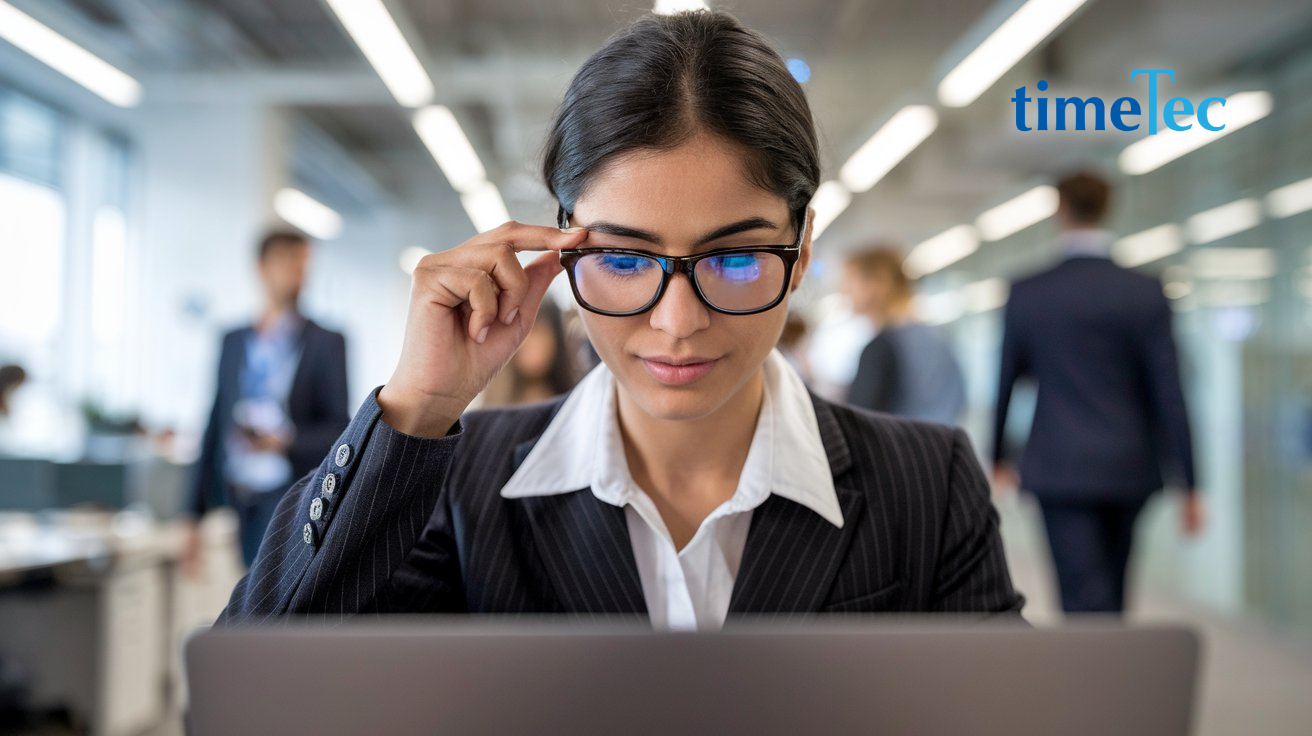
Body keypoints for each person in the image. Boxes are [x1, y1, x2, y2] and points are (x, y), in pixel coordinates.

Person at [219, 11, 1023, 627]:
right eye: (627, 259)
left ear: (802, 246)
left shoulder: (930, 483)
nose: (677, 323)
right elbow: (260, 685)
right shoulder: (456, 488)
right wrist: (417, 408)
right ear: (560, 249)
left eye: (735, 259)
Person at [991, 171, 1202, 615]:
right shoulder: (1145, 292)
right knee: (1113, 588)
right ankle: (1109, 675)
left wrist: (998, 457)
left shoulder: (1029, 291)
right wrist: (1191, 480)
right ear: (1108, 208)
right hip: (1129, 465)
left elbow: (1007, 380)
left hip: (1059, 464)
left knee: (1080, 594)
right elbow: (1169, 391)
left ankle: (1092, 679)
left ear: (1060, 210)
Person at [186, 230, 350, 571]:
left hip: (292, 497)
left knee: (278, 601)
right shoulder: (232, 340)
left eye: (304, 265)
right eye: (289, 263)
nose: (299, 275)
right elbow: (216, 421)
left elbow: (339, 428)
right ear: (262, 267)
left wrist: (287, 442)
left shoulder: (327, 342)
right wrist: (192, 514)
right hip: (239, 496)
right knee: (247, 596)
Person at [842, 247, 966, 425]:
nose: (844, 291)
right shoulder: (939, 340)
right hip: (940, 448)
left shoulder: (881, 349)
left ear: (876, 284)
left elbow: (858, 424)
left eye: (850, 281)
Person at [477, 298, 580, 407]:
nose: (530, 341)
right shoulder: (489, 408)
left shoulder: (576, 403)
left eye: (538, 330)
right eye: (523, 331)